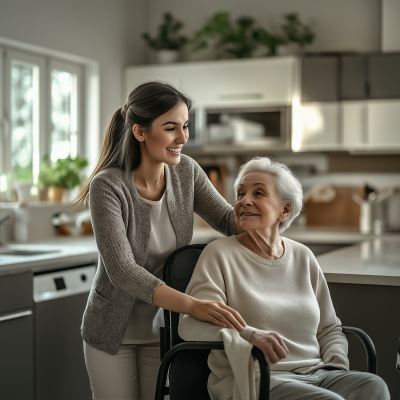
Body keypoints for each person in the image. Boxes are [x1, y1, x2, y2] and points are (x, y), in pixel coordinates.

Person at [76, 81, 246, 400]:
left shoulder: (187, 173)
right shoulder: (108, 186)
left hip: (165, 332)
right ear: (140, 132)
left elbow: (227, 221)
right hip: (111, 334)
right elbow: (122, 270)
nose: (183, 138)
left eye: (185, 126)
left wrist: (268, 213)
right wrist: (194, 306)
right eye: (171, 128)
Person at [179, 156, 390, 400]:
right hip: (260, 379)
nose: (244, 201)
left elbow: (330, 328)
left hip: (318, 373)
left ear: (285, 209)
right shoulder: (219, 254)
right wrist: (247, 333)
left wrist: (335, 365)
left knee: (374, 387)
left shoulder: (303, 256)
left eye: (258, 193)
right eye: (240, 194)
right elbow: (191, 324)